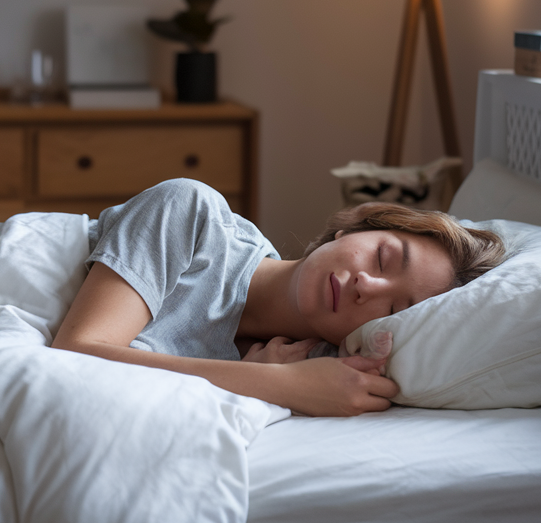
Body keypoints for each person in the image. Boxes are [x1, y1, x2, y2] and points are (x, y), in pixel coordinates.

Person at [52, 178, 505, 417]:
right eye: (384, 257)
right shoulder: (191, 213)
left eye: (394, 309)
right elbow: (77, 355)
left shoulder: (321, 370)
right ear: (358, 227)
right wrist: (274, 385)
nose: (369, 286)